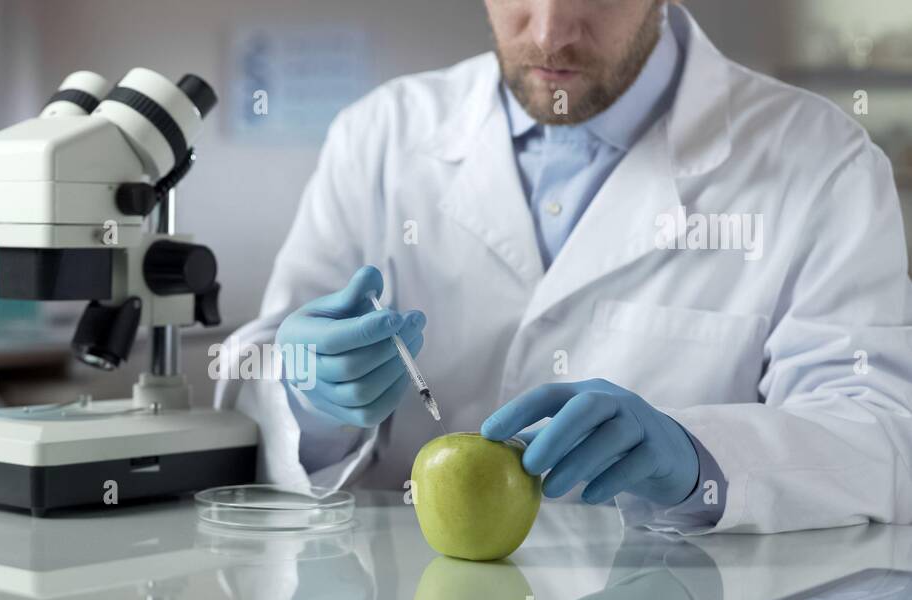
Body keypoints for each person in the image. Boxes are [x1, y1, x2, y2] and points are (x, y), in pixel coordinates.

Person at [216, 0, 912, 535]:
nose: (549, 34)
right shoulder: (377, 135)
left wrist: (703, 458)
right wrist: (307, 395)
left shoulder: (824, 164)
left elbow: (880, 438)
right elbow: (264, 387)